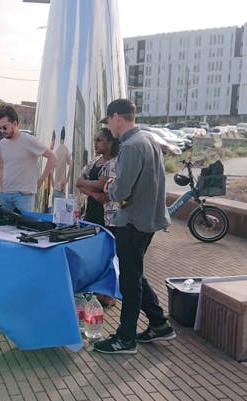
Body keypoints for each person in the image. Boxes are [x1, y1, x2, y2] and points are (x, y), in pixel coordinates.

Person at [93, 99, 175, 354]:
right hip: (149, 220)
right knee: (134, 272)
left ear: (116, 117)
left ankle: (125, 337)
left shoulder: (130, 147)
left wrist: (108, 186)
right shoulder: (149, 139)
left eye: (108, 121)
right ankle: (159, 323)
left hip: (132, 222)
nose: (110, 128)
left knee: (129, 280)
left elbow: (120, 191)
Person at [75, 127, 120, 308]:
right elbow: (79, 182)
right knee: (94, 255)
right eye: (95, 140)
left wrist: (96, 186)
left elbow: (105, 186)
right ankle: (94, 290)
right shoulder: (95, 162)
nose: (95, 143)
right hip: (92, 213)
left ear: (110, 142)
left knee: (109, 257)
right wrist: (95, 193)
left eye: (99, 140)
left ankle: (108, 294)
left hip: (109, 217)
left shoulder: (116, 163)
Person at [0, 104, 57, 212]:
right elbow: (1, 167)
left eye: (5, 127)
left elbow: (52, 157)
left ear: (15, 123)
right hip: (5, 196)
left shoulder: (29, 140)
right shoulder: (1, 144)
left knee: (25, 228)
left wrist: (41, 180)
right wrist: (0, 190)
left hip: (24, 197)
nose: (2, 131)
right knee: (5, 228)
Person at [52, 126, 73, 200]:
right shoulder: (65, 149)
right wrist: (67, 180)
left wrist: (53, 184)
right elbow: (71, 164)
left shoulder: (56, 151)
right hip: (62, 189)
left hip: (55, 188)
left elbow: (51, 170)